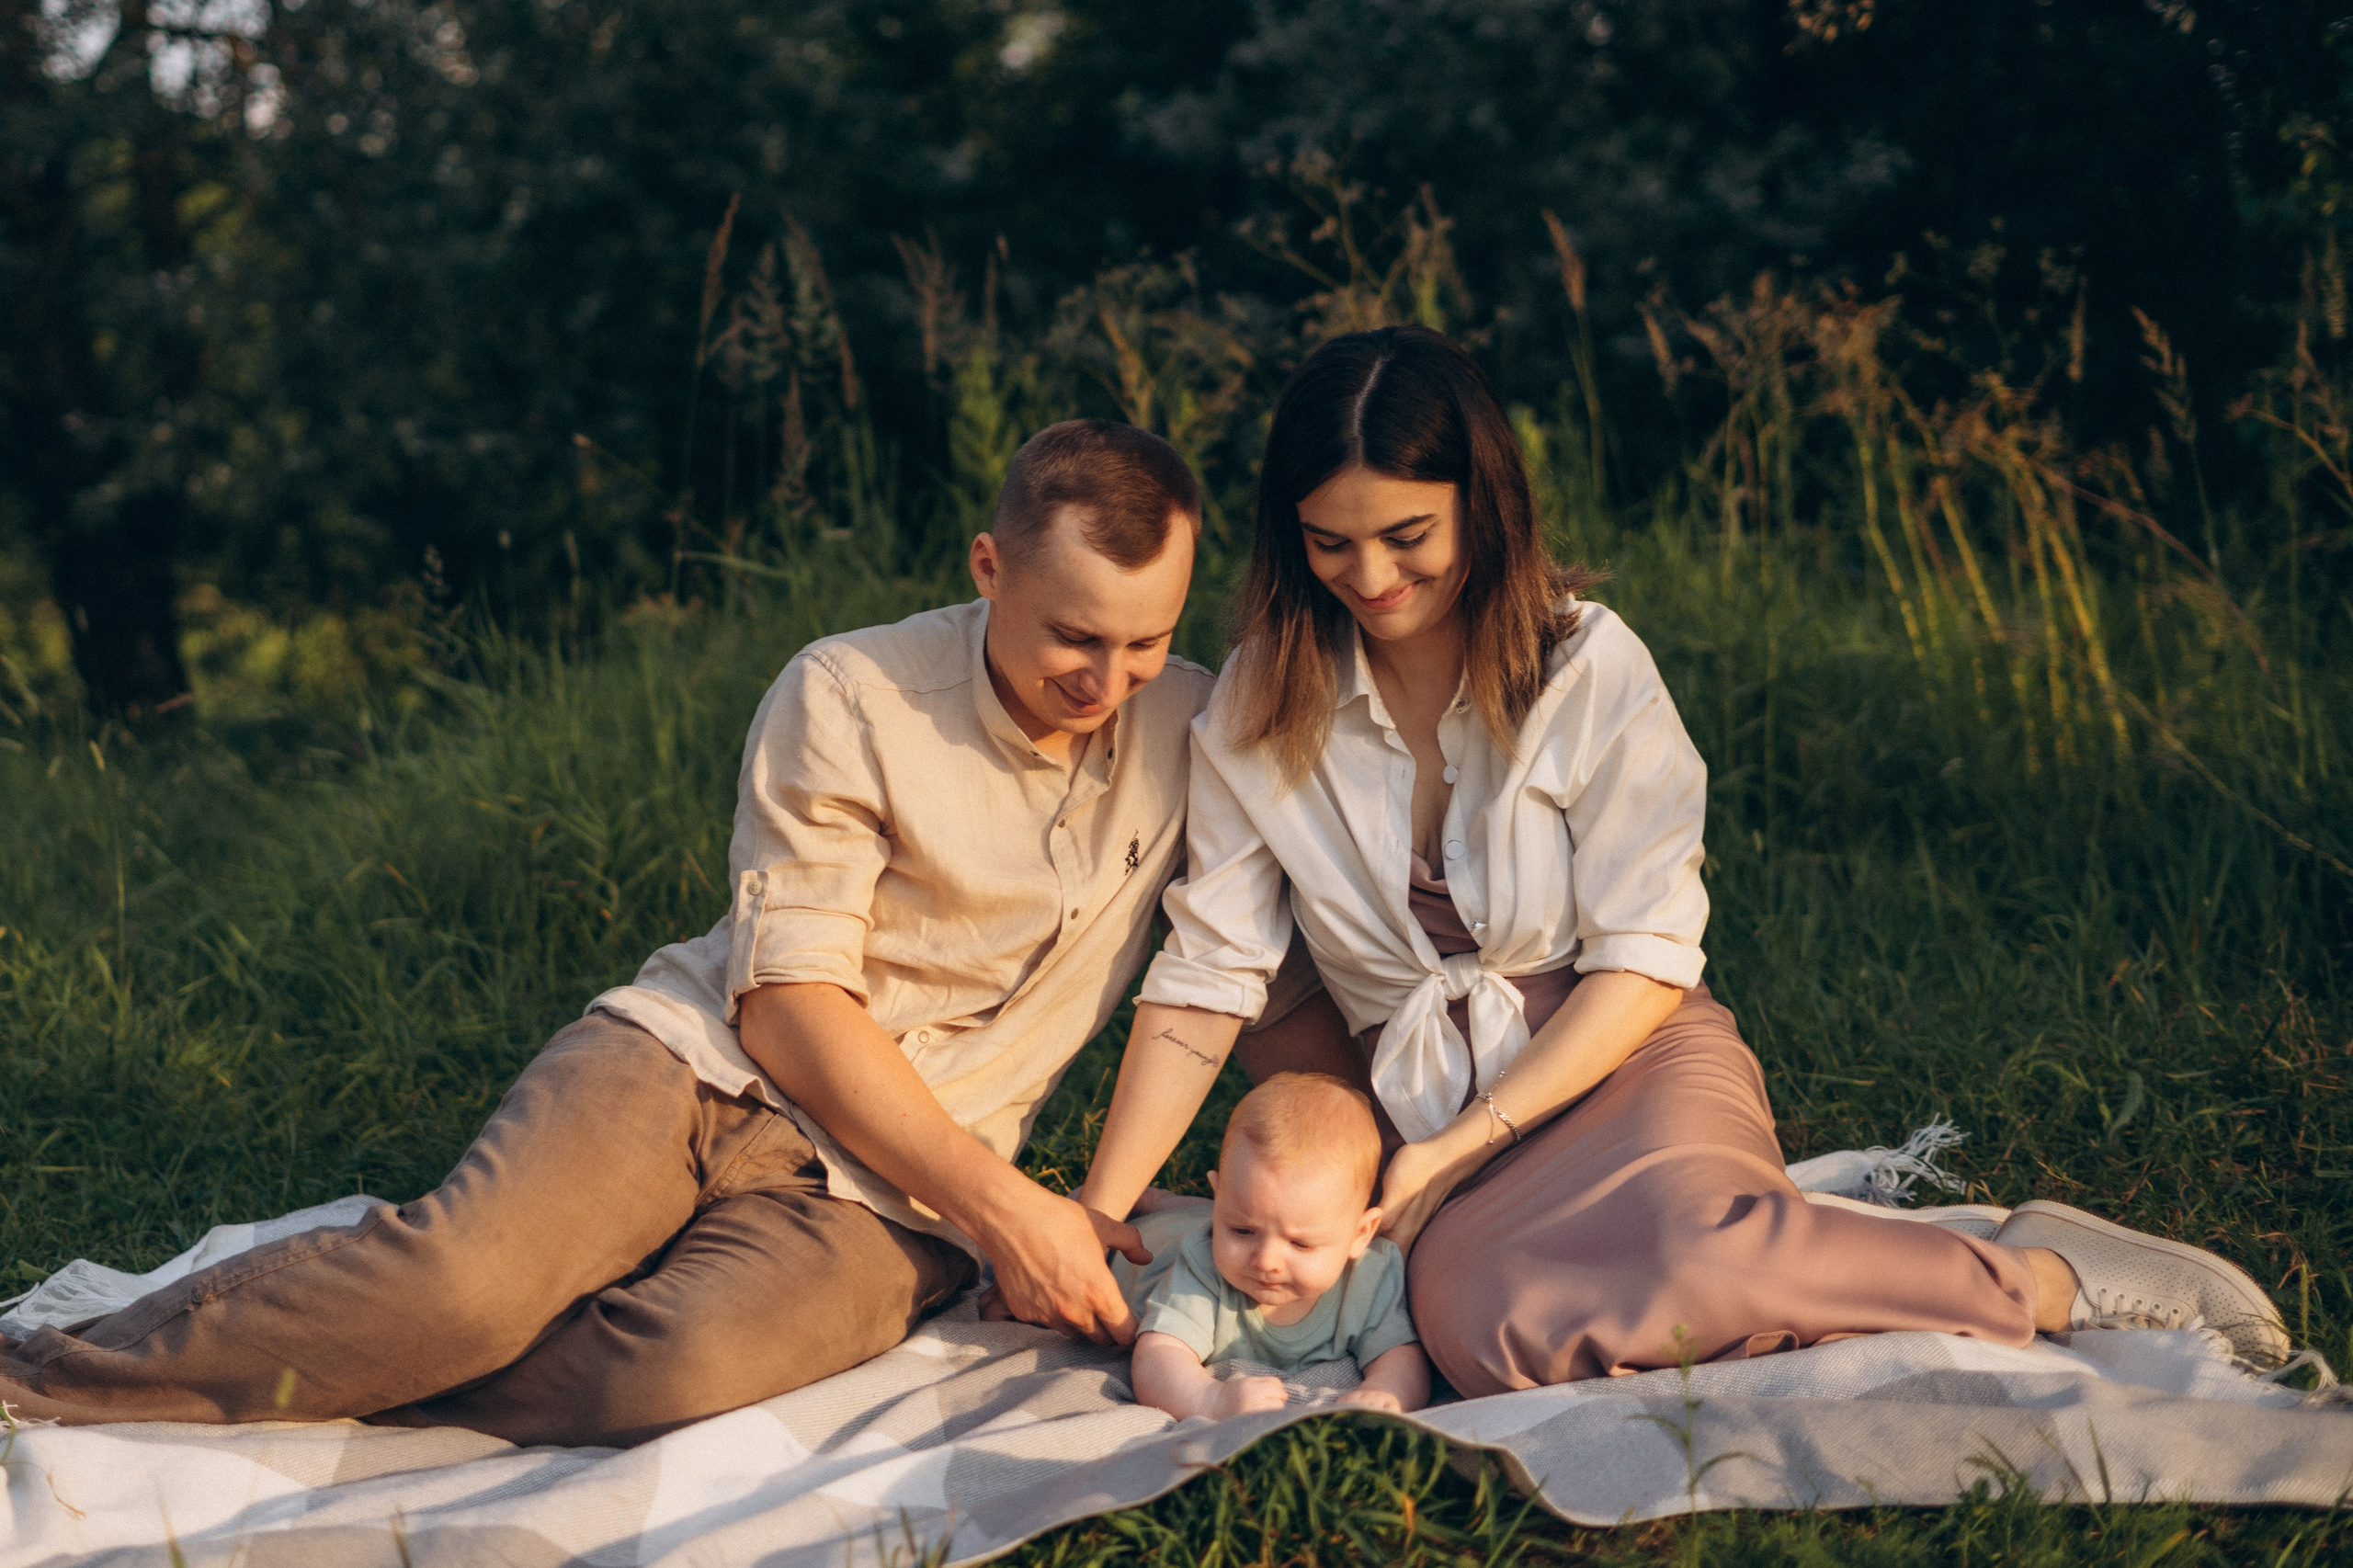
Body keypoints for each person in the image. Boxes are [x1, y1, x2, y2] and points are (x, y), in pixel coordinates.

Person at [1076, 326, 2292, 1399]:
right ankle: (1800, 1256)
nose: (1374, 579)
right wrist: (1097, 1211)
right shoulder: (1257, 700)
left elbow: (1645, 960)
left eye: (1408, 537)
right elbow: (1210, 974)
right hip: (1430, 1083)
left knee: (1696, 1261)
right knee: (1480, 1336)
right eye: (1331, 545)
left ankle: (2041, 1276)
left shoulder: (1588, 669)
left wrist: (1458, 1148)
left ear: (1482, 506)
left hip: (1617, 1048)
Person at [0, 420, 1212, 1447]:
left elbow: (1260, 953)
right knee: (463, 1287)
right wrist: (1009, 1209)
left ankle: (358, 1356)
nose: (1108, 680)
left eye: (1145, 641)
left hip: (892, 1203)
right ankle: (38, 1378)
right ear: (989, 566)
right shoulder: (853, 690)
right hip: (696, 1066)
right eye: (1074, 635)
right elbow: (787, 1002)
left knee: (665, 1376)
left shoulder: (1198, 726)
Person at [1113, 1073, 1429, 1421]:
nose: (1266, 1260)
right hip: (1150, 1245)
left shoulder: (1368, 1277)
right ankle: (1149, 1202)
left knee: (1234, 1214)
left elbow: (1400, 1354)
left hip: (1211, 1214)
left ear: (1361, 1234)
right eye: (1242, 1231)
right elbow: (1158, 1353)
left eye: (1300, 1243)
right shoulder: (1202, 1265)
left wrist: (1386, 1391)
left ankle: (1176, 1204)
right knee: (1173, 1220)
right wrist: (1210, 1399)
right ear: (1222, 1201)